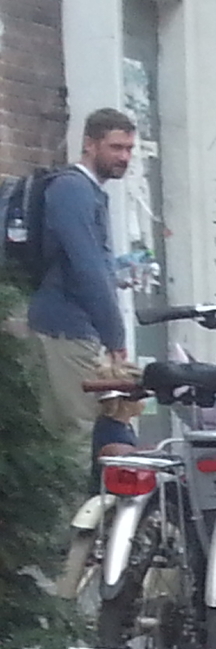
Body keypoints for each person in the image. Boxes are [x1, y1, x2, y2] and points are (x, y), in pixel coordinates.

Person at [19, 107, 135, 458]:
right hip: (65, 331)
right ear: (89, 144)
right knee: (74, 438)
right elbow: (87, 267)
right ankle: (69, 514)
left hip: (79, 330)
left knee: (110, 430)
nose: (124, 157)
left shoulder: (89, 192)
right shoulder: (72, 189)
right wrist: (115, 335)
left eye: (129, 149)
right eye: (116, 147)